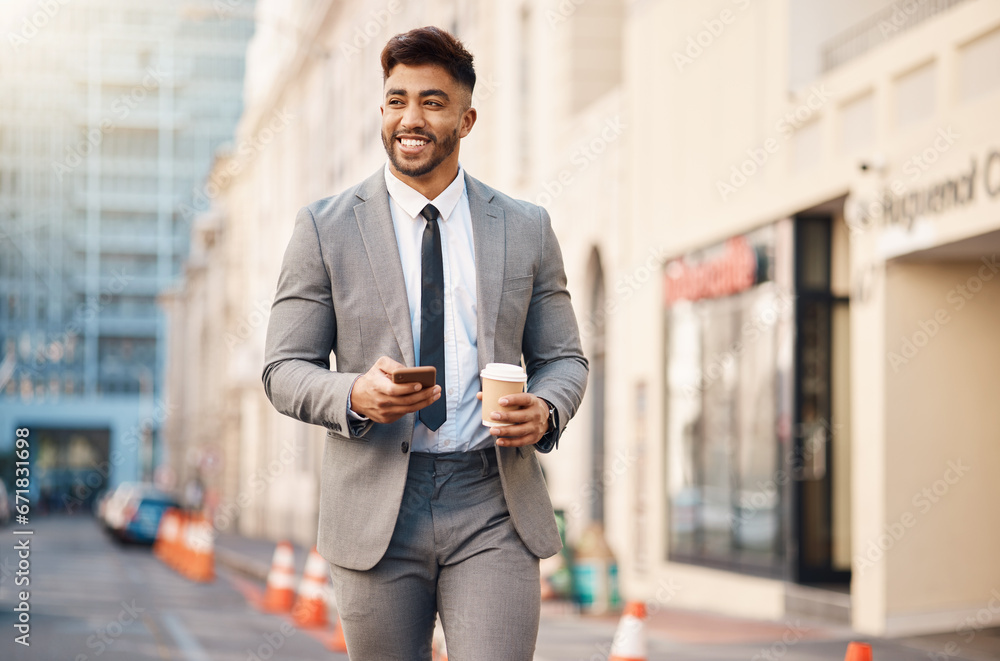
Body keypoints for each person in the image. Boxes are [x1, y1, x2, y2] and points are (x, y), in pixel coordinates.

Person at [262, 26, 588, 661]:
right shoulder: (324, 229)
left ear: (466, 120)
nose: (409, 118)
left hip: (492, 501)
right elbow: (282, 369)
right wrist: (354, 393)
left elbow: (563, 359)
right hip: (378, 504)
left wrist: (546, 409)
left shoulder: (525, 228)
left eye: (432, 102)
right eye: (395, 99)